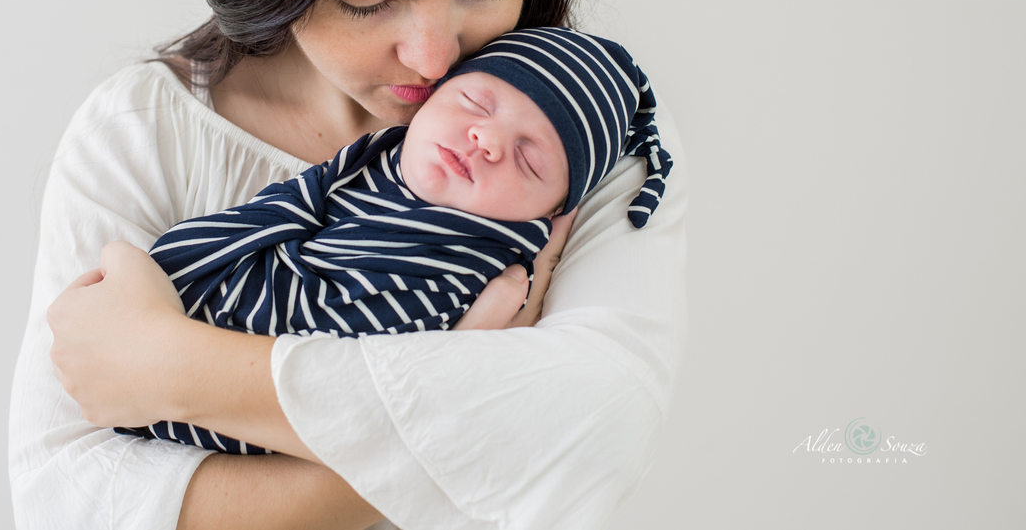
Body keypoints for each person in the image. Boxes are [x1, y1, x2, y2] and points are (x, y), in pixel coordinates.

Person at [10, 0, 688, 528]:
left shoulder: (577, 139)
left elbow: (596, 429)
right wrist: (459, 389)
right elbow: (66, 502)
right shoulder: (144, 133)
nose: (434, 58)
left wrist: (176, 366)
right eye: (368, 4)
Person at [116, 27, 674, 454]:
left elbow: (379, 383)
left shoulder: (479, 262)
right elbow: (280, 212)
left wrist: (169, 357)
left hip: (271, 402)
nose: (486, 139)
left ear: (555, 212)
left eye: (530, 160)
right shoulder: (377, 162)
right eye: (476, 104)